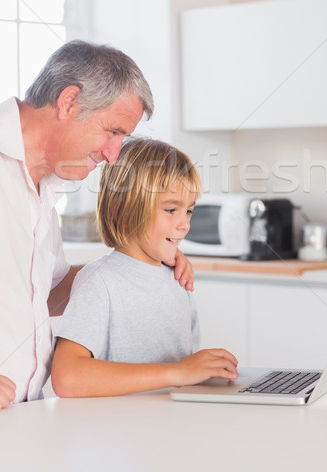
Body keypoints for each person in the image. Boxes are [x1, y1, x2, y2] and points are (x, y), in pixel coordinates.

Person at [0, 40, 195, 411]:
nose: (113, 154)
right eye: (113, 131)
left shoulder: (45, 186)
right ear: (69, 102)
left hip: (23, 416)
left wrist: (138, 266)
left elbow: (41, 294)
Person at [51, 137, 238, 397]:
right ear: (125, 210)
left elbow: (184, 373)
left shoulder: (178, 278)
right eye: (171, 209)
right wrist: (176, 372)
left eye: (189, 212)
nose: (184, 224)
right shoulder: (99, 282)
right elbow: (66, 377)